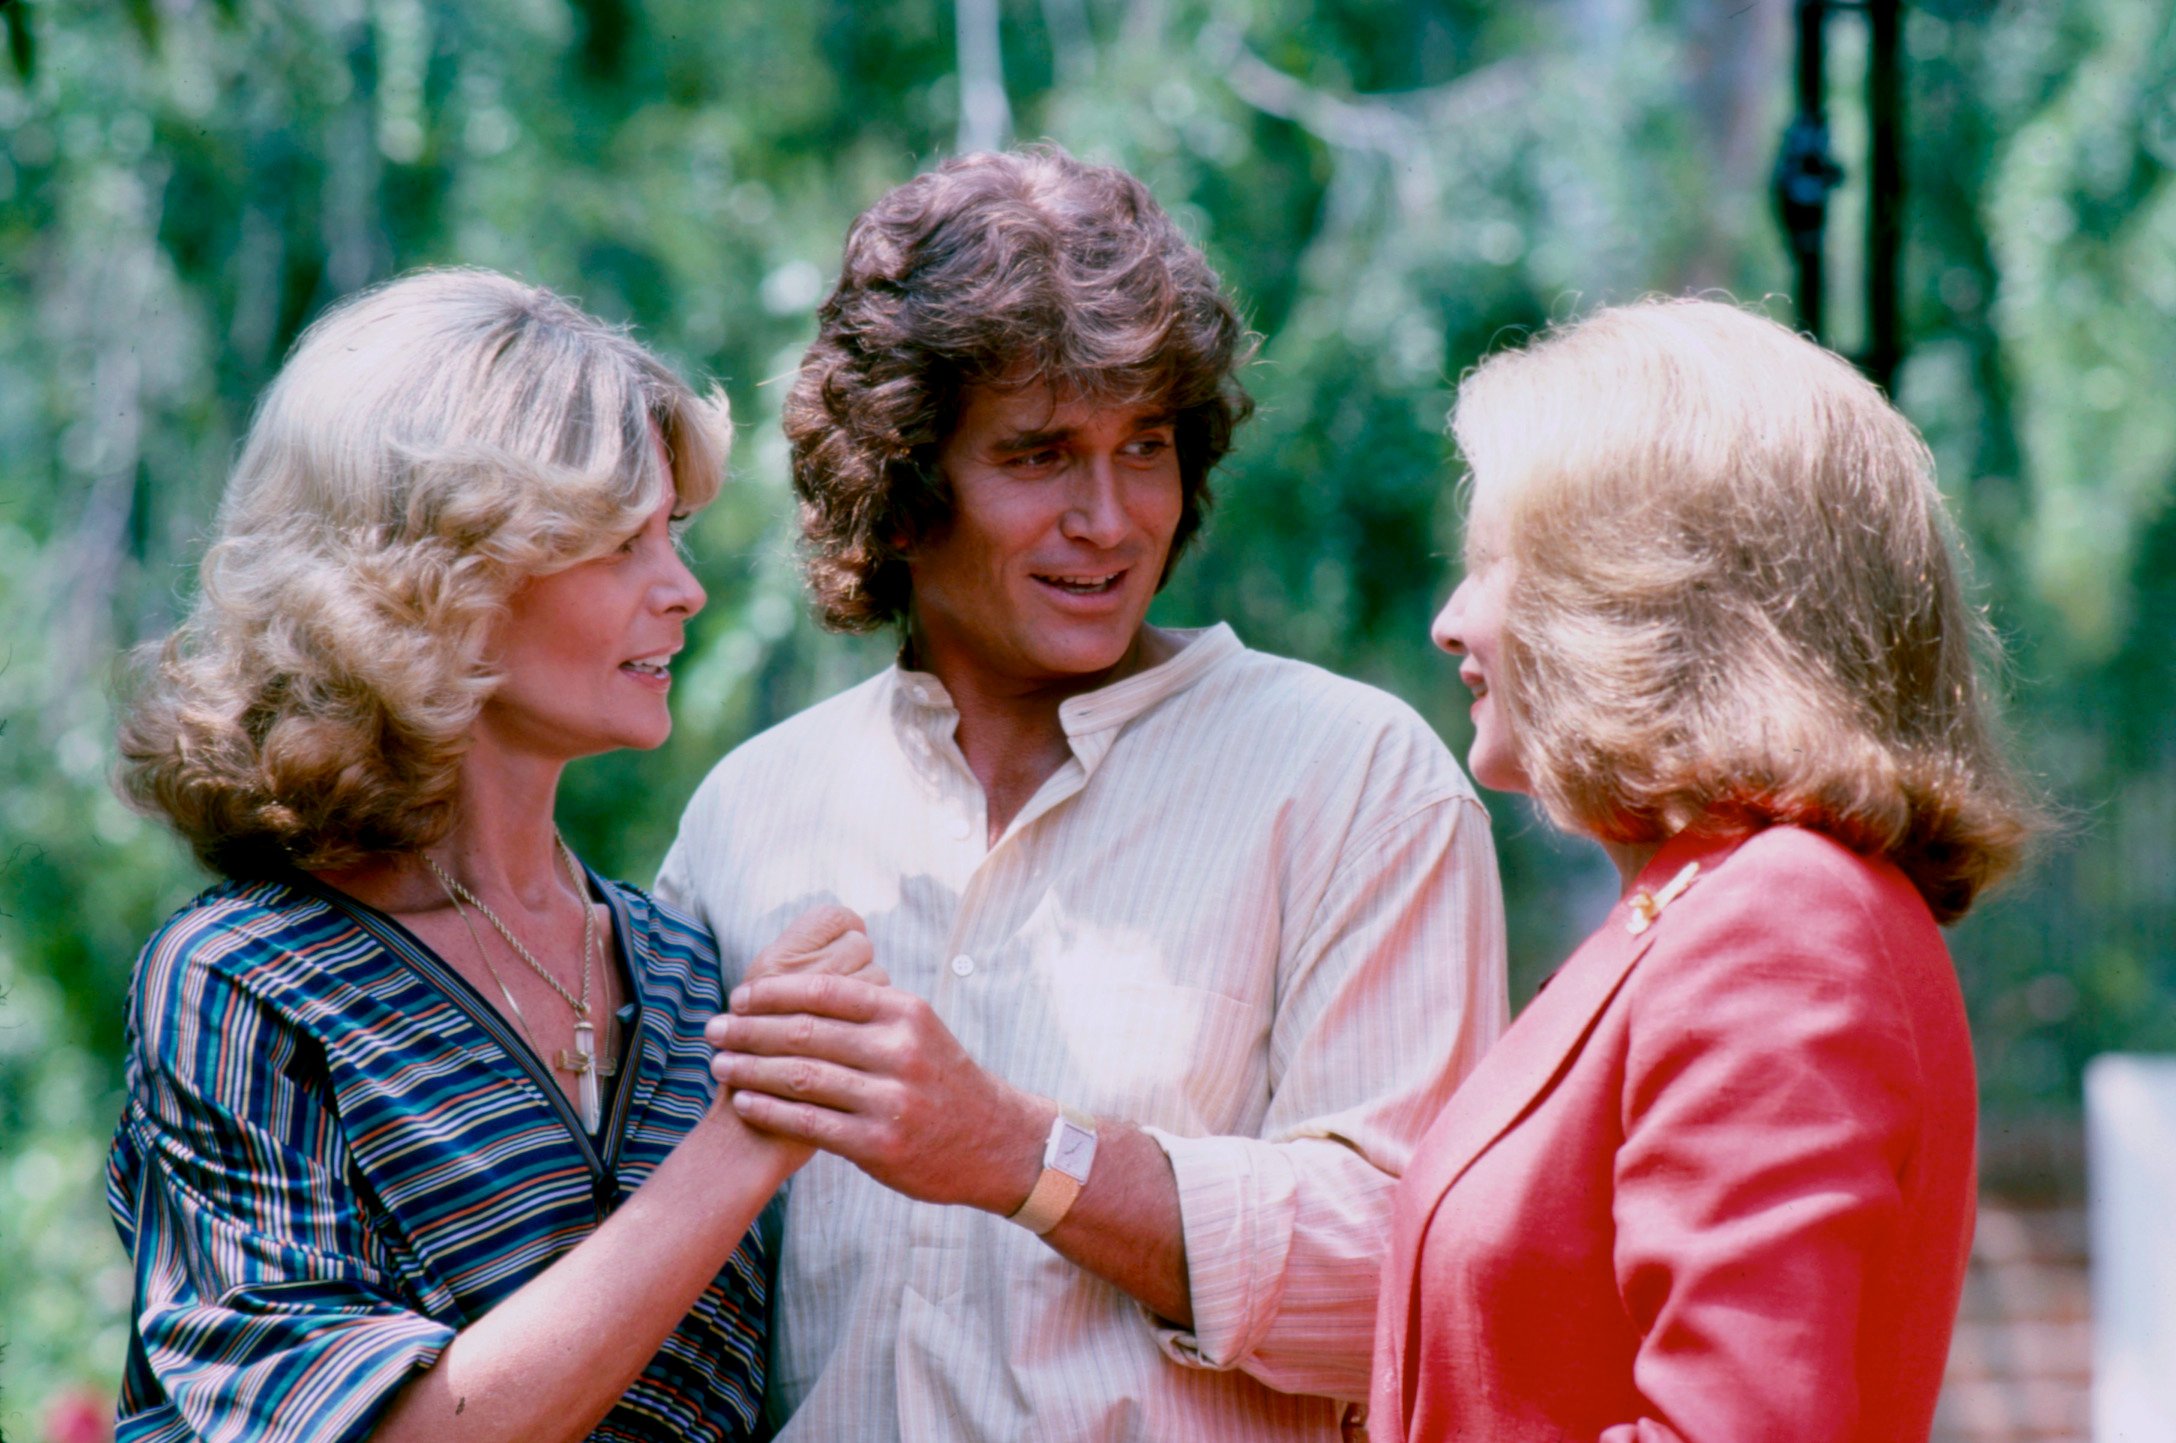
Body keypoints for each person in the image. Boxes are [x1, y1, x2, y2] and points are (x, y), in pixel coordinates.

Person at [657, 145, 1509, 1440]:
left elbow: (1414, 1282)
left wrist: (1024, 1155)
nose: (1110, 517)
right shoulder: (748, 813)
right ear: (899, 492)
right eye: (1041, 454)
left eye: (1147, 446)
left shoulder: (1354, 778)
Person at [107, 268, 874, 1443]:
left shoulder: (680, 969)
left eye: (672, 532)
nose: (684, 589)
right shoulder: (244, 985)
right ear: (436, 577)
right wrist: (744, 1141)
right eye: (623, 542)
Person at [1368, 298, 2042, 1442]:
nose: (1450, 619)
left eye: (1498, 563)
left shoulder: (1778, 920)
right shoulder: (1708, 906)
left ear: (1642, 589)